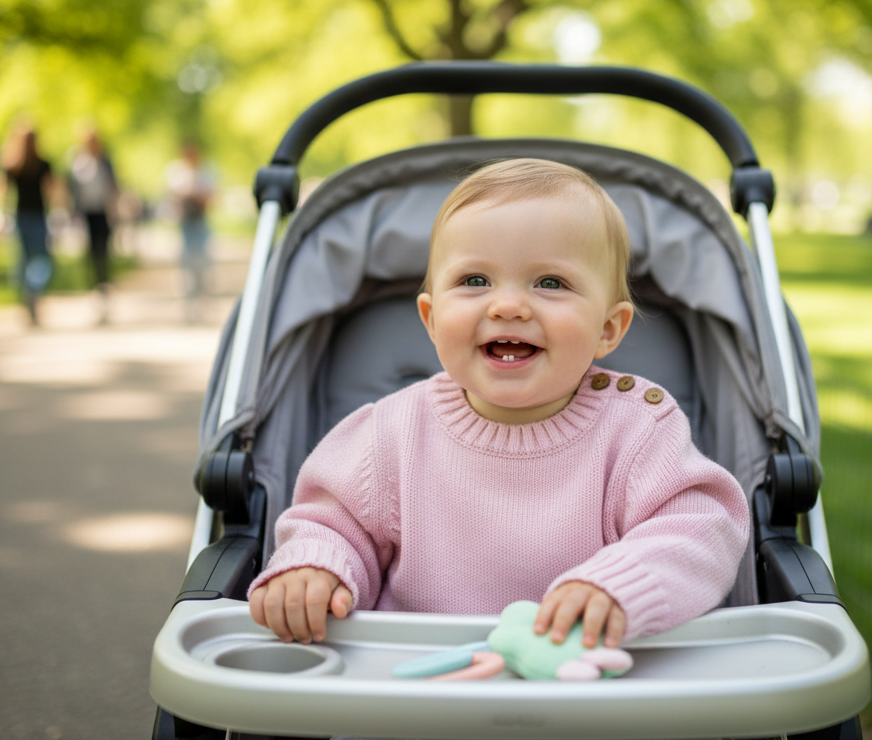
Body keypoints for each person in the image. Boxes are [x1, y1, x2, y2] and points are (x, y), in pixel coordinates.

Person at [247, 159, 750, 651]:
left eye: (550, 283)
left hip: (586, 689)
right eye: (474, 281)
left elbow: (700, 528)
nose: (507, 305)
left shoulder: (637, 431)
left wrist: (621, 585)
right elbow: (334, 524)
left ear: (608, 328)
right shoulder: (390, 434)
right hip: (414, 689)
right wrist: (316, 566)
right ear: (431, 318)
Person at [1, 124, 55, 325]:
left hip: (28, 217)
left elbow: (2, 190)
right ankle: (32, 296)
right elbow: (53, 192)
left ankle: (30, 296)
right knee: (34, 260)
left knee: (29, 261)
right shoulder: (15, 165)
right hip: (30, 217)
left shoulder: (30, 165)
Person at [67, 127, 120, 322]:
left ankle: (104, 294)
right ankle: (95, 295)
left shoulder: (105, 162)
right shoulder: (78, 163)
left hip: (103, 214)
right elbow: (73, 191)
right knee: (90, 256)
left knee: (103, 255)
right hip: (86, 216)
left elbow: (114, 187)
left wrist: (116, 212)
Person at [164, 142, 215, 322]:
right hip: (184, 223)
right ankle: (187, 304)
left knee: (202, 263)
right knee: (185, 264)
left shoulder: (206, 173)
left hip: (200, 222)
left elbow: (211, 197)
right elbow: (172, 197)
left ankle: (201, 301)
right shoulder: (176, 173)